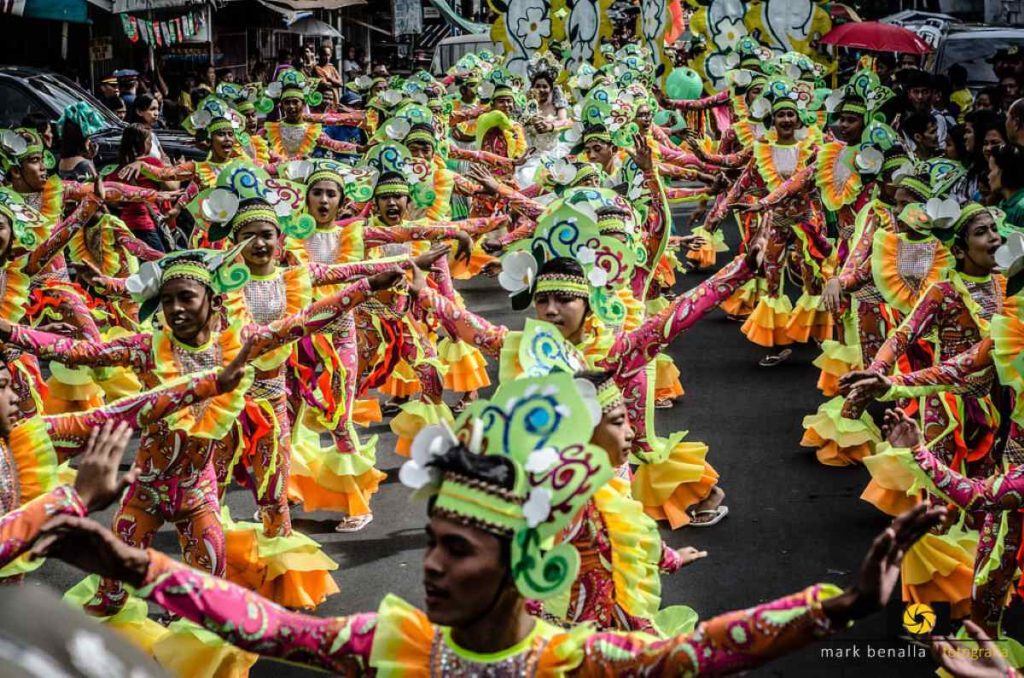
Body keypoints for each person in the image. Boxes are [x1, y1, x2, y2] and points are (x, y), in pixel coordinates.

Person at [29, 461, 947, 675]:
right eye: (427, 540)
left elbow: (704, 649)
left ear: (524, 568)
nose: (425, 567)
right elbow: (263, 624)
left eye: (457, 550)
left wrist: (845, 605)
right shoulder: (395, 645)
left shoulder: (574, 664)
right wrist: (131, 560)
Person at [990, 142, 1024, 230]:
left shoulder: (1022, 208)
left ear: (1004, 171)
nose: (988, 176)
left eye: (991, 170)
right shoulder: (1002, 203)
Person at [127, 94, 165, 161]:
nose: (156, 113)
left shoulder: (152, 135)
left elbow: (164, 159)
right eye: (152, 109)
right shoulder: (133, 135)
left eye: (157, 109)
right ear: (139, 112)